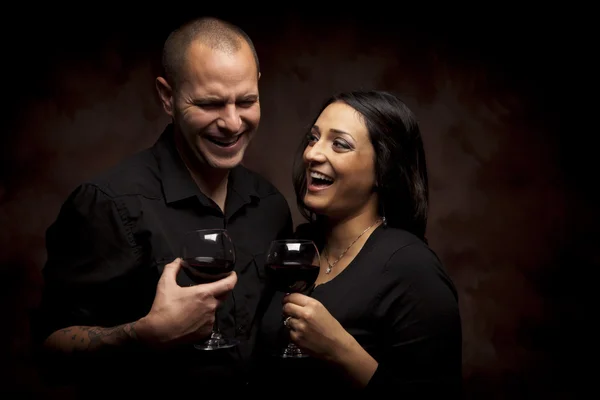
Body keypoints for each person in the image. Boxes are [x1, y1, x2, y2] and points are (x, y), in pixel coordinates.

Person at [32, 16, 293, 395]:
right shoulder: (107, 204)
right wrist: (143, 335)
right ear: (167, 98)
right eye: (210, 103)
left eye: (246, 101)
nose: (233, 122)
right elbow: (49, 349)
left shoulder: (271, 205)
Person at [250, 90, 462, 395]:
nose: (312, 154)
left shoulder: (412, 269)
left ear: (383, 170)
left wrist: (341, 350)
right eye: (313, 138)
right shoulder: (298, 247)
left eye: (340, 144)